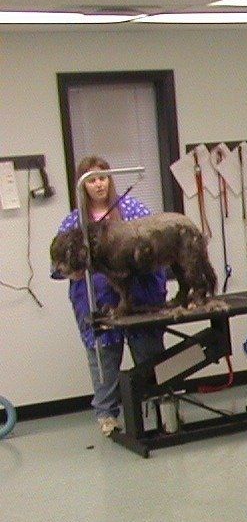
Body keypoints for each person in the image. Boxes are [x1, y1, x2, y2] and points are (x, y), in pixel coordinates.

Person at [53, 155, 167, 436]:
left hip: (140, 296)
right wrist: (76, 272)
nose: (98, 184)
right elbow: (59, 266)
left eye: (102, 177)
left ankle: (162, 405)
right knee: (103, 359)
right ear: (83, 186)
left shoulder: (133, 209)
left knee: (149, 355)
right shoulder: (74, 223)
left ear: (110, 179)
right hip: (97, 299)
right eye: (91, 180)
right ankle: (106, 414)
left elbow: (158, 244)